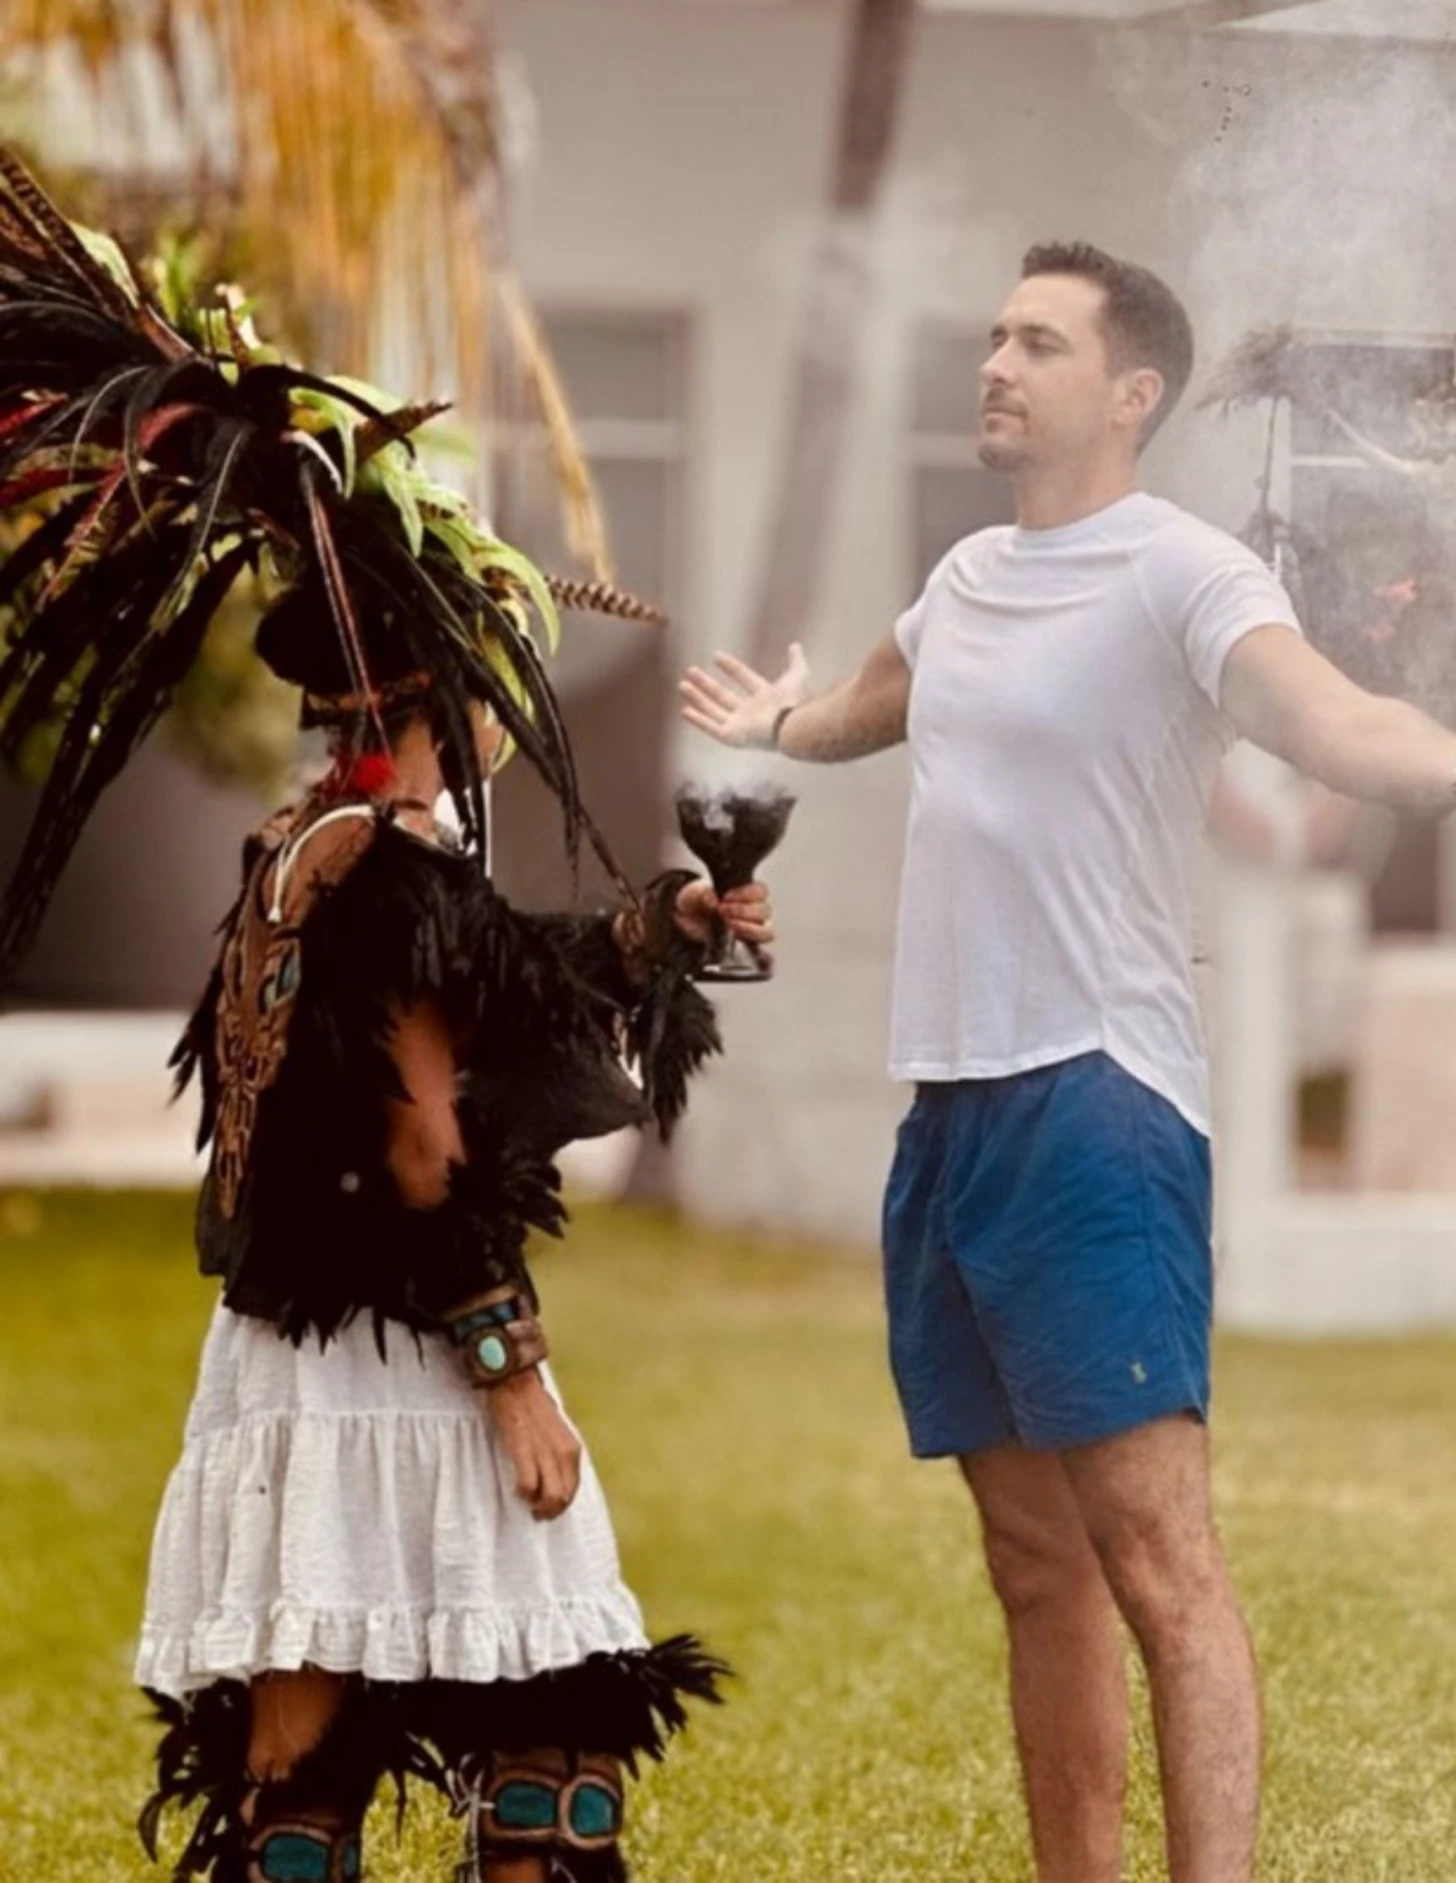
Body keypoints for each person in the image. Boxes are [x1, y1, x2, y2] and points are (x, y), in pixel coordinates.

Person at [679, 239, 1456, 1883]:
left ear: (1129, 394)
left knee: (1157, 1563)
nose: (994, 363)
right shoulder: (965, 579)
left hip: (1094, 1101)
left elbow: (1331, 719)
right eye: (993, 336)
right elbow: (872, 705)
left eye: (1036, 343)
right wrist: (778, 726)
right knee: (1030, 1562)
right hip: (951, 1111)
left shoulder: (1182, 573)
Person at [0, 156, 771, 1882]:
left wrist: (659, 924)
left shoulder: (311, 847)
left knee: (304, 1739)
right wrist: (514, 1378)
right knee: (558, 1736)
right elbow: (423, 1135)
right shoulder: (395, 872)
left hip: (289, 1351)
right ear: (450, 696)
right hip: (404, 1353)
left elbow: (481, 979)